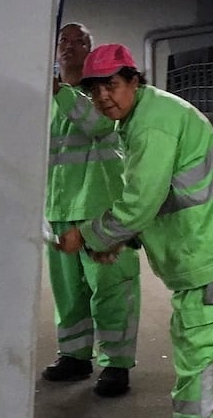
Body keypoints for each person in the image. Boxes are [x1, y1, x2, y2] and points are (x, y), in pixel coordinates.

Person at [57, 43, 213, 418]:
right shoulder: (149, 115)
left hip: (210, 250)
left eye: (113, 86)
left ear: (134, 81)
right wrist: (121, 239)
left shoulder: (150, 126)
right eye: (96, 91)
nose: (104, 98)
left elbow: (139, 202)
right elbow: (162, 199)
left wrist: (92, 236)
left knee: (205, 346)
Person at [41, 22, 142, 397]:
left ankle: (116, 364)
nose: (69, 46)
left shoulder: (99, 93)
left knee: (112, 289)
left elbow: (100, 125)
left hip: (101, 208)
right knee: (68, 292)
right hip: (57, 208)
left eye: (78, 40)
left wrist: (62, 94)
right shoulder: (45, 99)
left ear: (90, 48)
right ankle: (74, 355)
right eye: (63, 41)